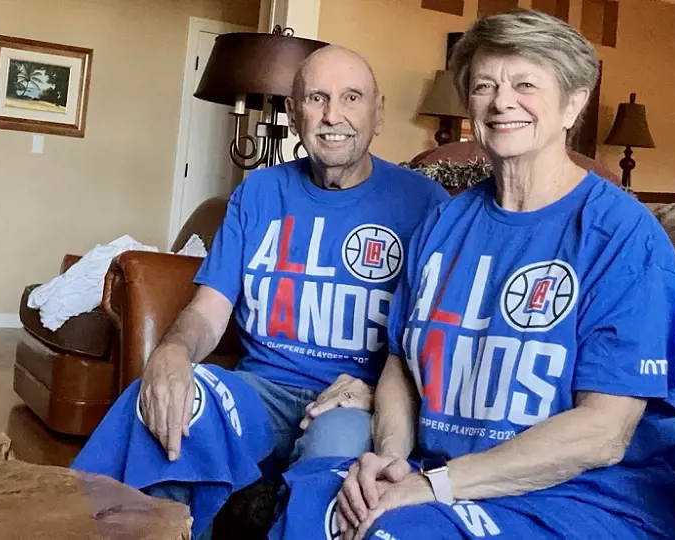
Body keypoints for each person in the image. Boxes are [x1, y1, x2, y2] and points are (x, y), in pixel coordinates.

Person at [267, 9, 675, 540]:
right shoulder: (444, 221)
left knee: (387, 532)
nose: (502, 101)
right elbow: (401, 366)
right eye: (485, 84)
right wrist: (391, 460)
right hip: (445, 483)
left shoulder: (623, 236)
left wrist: (432, 486)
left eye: (526, 84)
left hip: (583, 502)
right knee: (320, 500)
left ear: (573, 103)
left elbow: (602, 434)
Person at [71, 45, 450, 539]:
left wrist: (380, 393)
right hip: (260, 390)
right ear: (294, 114)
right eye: (317, 98)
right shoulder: (258, 192)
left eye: (352, 98)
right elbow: (209, 310)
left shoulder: (427, 204)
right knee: (159, 409)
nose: (334, 115)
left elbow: (442, 341)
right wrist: (172, 351)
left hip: (354, 400)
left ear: (378, 113)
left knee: (332, 471)